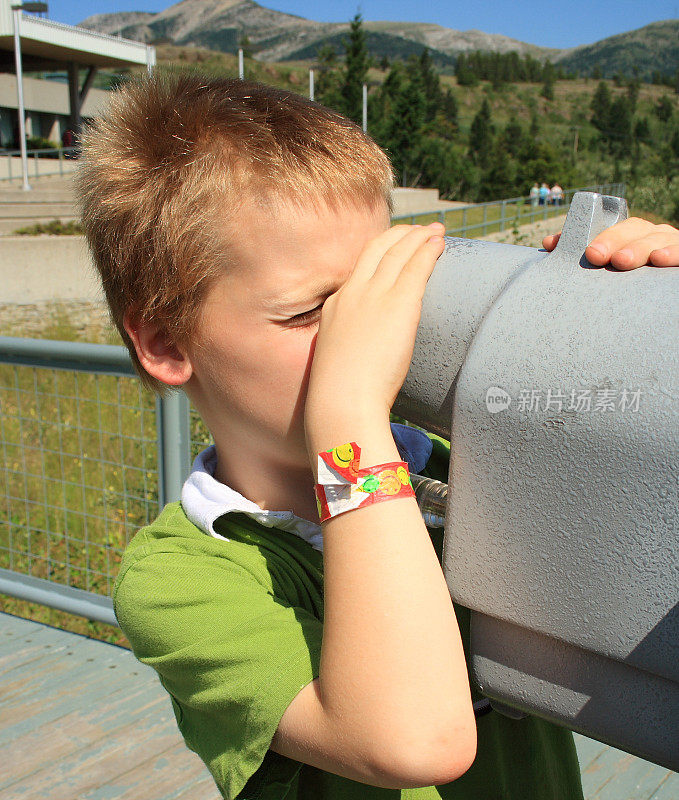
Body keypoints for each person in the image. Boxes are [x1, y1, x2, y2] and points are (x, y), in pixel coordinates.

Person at [76, 72, 679, 800]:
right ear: (169, 342)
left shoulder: (464, 470)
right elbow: (414, 743)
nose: (367, 334)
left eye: (381, 292)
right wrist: (352, 415)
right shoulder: (183, 581)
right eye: (309, 314)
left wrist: (626, 322)